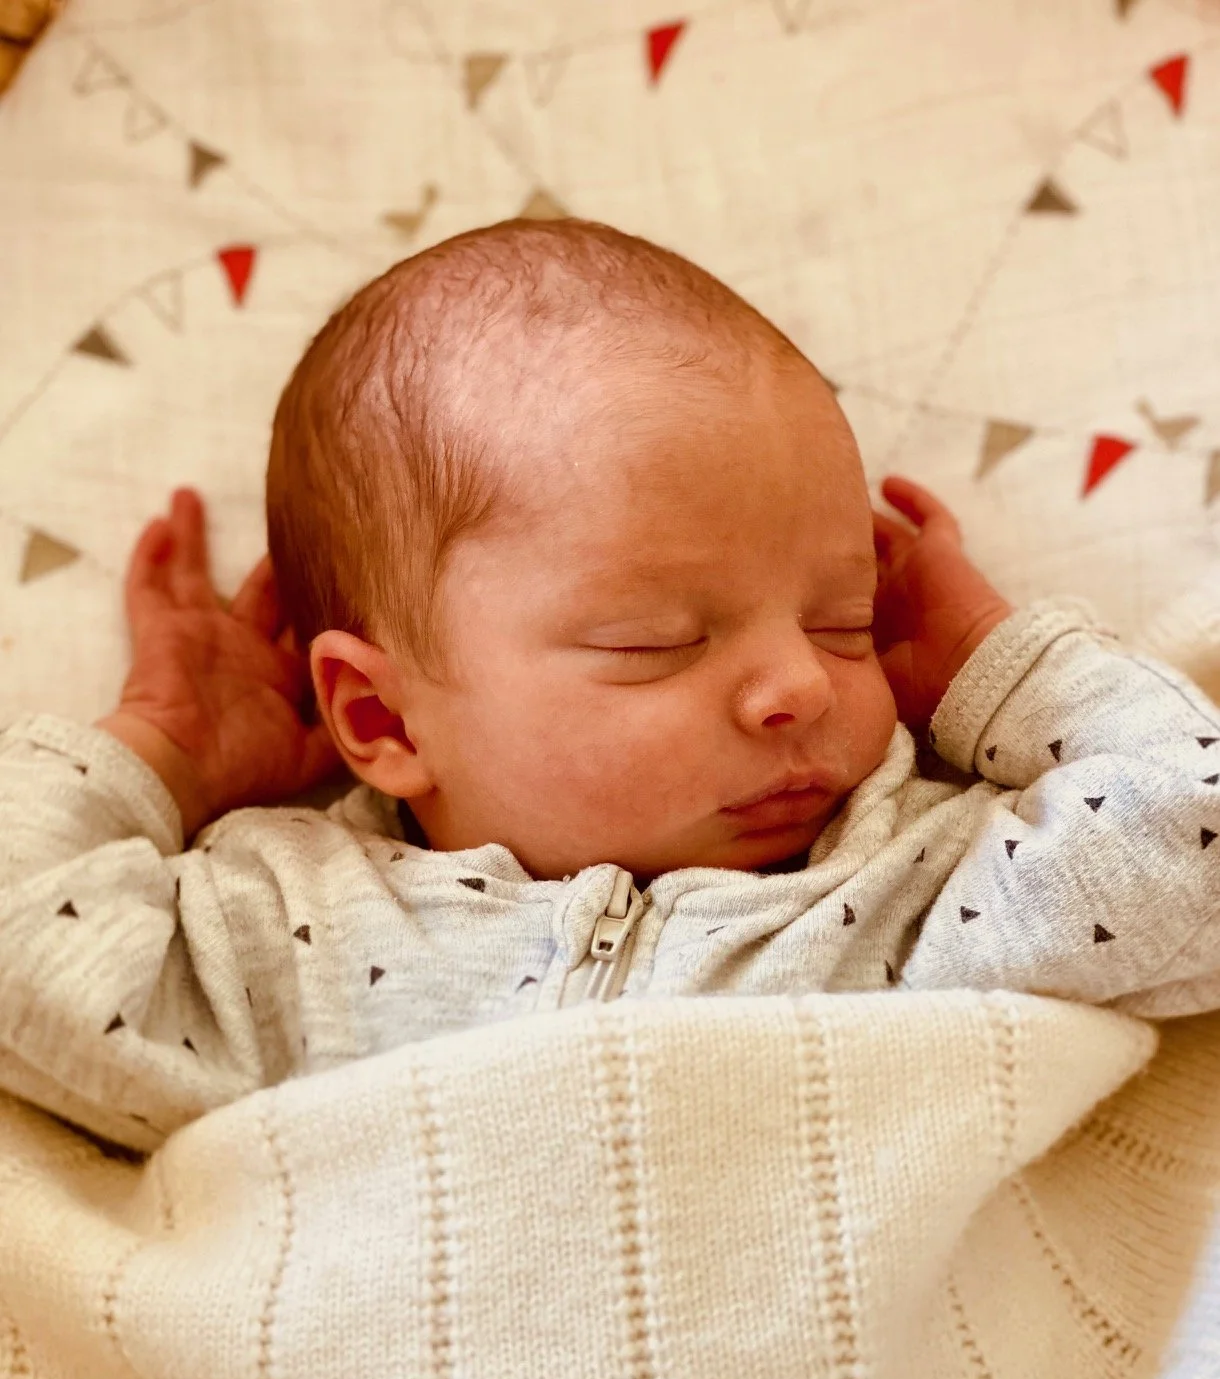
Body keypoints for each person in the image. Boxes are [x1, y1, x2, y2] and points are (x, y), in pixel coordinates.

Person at [2, 218, 1218, 1143]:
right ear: (377, 715)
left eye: (842, 623)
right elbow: (22, 963)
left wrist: (996, 667)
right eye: (655, 642)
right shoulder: (285, 934)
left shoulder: (907, 891)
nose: (794, 683)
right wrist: (162, 748)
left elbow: (1197, 839)